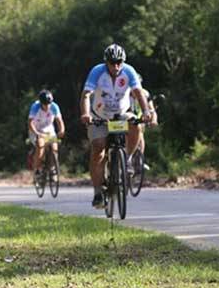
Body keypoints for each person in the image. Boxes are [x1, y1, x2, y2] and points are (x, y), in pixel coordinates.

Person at [80, 44, 154, 209]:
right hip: (99, 116)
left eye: (119, 62)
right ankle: (98, 192)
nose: (116, 66)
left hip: (121, 113)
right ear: (106, 62)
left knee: (136, 125)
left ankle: (126, 158)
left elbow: (138, 93)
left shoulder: (129, 71)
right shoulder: (97, 72)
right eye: (112, 63)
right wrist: (86, 114)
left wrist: (146, 111)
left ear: (123, 61)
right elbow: (86, 95)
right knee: (98, 147)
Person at [27, 90, 65, 178]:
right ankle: (37, 169)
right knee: (40, 145)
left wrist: (62, 130)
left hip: (49, 130)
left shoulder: (54, 107)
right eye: (45, 104)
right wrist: (37, 133)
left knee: (54, 147)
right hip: (36, 129)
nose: (47, 106)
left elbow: (59, 121)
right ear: (41, 103)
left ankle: (52, 169)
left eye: (49, 104)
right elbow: (30, 123)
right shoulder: (35, 107)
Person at [127, 86, 157, 174]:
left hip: (139, 118)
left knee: (140, 132)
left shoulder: (145, 94)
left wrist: (154, 120)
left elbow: (152, 110)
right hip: (126, 118)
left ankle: (139, 158)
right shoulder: (124, 93)